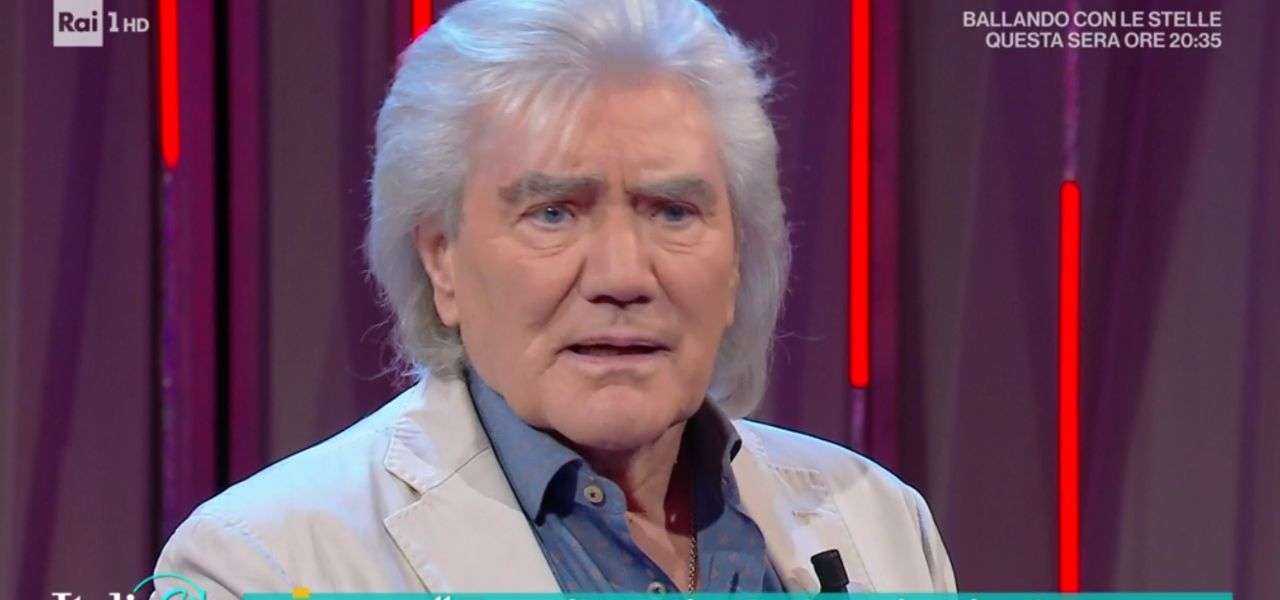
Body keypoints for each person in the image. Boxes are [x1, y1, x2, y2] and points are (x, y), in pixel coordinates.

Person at [154, 0, 956, 595]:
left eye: (673, 211)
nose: (623, 276)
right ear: (442, 261)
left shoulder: (883, 526)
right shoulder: (261, 562)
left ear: (739, 255)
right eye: (553, 213)